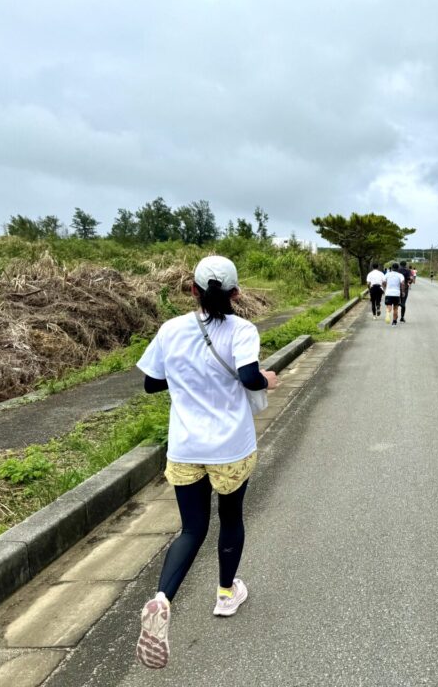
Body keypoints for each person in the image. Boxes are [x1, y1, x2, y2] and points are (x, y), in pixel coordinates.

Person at [134, 256, 278, 669]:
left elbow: (150, 383)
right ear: (236, 293)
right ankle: (226, 594)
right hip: (230, 448)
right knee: (230, 519)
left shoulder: (171, 330)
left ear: (193, 290)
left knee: (192, 528)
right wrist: (267, 378)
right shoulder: (242, 330)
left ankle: (162, 599)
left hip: (185, 448)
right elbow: (249, 376)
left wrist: (186, 375)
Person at [383, 262, 406, 327]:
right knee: (395, 308)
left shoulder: (387, 274)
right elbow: (403, 283)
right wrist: (403, 292)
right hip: (396, 294)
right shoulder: (400, 275)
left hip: (388, 293)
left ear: (392, 268)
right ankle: (394, 322)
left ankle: (388, 313)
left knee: (389, 306)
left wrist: (385, 288)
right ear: (398, 268)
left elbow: (383, 282)